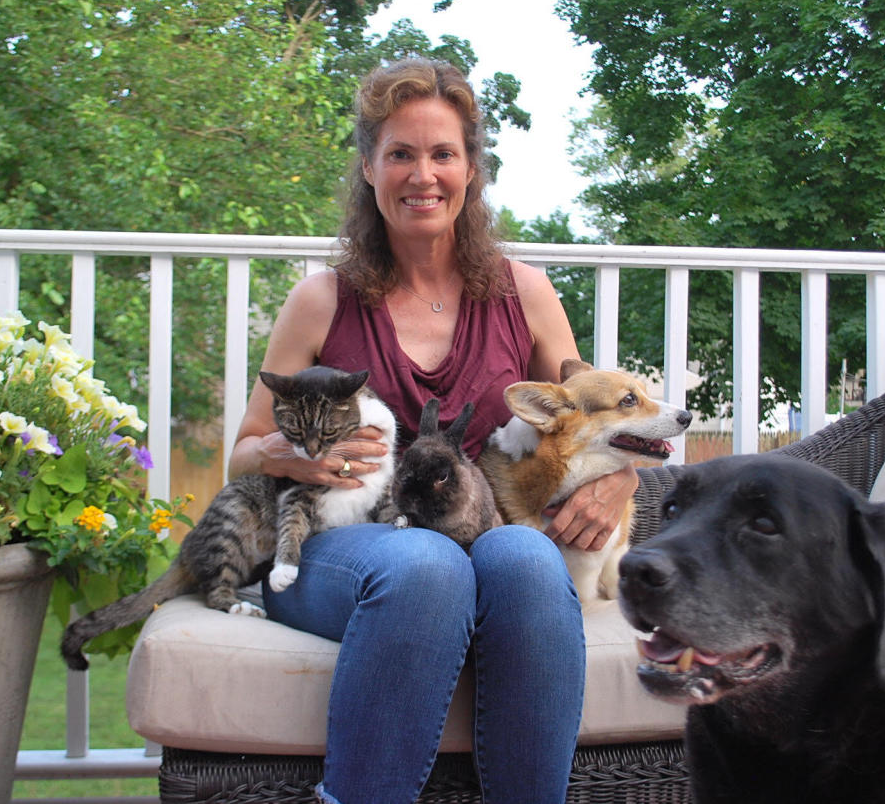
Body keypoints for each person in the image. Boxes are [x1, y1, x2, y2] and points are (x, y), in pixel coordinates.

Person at [228, 57, 638, 804]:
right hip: (334, 548)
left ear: (472, 169)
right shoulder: (323, 300)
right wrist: (285, 452)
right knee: (425, 563)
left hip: (481, 532)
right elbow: (242, 452)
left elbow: (598, 416)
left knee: (522, 555)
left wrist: (621, 478)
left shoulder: (525, 293)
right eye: (401, 154)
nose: (424, 174)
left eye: (443, 153)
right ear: (368, 167)